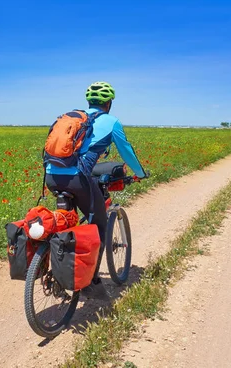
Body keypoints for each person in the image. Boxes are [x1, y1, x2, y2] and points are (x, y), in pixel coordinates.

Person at [44, 81, 147, 295]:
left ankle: (54, 273)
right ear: (108, 103)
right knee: (98, 226)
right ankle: (90, 282)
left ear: (89, 101)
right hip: (77, 179)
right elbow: (126, 151)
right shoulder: (111, 122)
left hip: (52, 176)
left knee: (66, 223)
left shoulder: (73, 119)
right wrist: (140, 174)